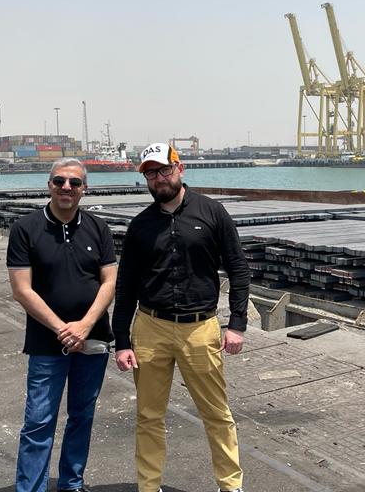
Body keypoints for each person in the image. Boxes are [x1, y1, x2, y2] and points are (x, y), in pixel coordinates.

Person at [112, 143, 250, 492]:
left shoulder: (212, 212)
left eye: (164, 170)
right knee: (148, 416)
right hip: (150, 327)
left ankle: (230, 485)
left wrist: (237, 323)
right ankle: (148, 486)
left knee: (217, 414)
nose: (159, 178)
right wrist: (122, 341)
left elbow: (238, 268)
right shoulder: (140, 226)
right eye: (151, 173)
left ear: (180, 168)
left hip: (200, 329)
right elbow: (125, 285)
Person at [6, 157, 117, 492]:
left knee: (82, 416)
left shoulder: (98, 228)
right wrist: (63, 329)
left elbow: (110, 281)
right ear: (49, 185)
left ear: (84, 189)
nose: (66, 187)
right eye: (59, 181)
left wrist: (85, 325)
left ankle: (72, 482)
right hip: (46, 343)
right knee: (38, 421)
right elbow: (21, 290)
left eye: (74, 182)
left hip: (93, 340)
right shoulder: (25, 228)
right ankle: (31, 488)